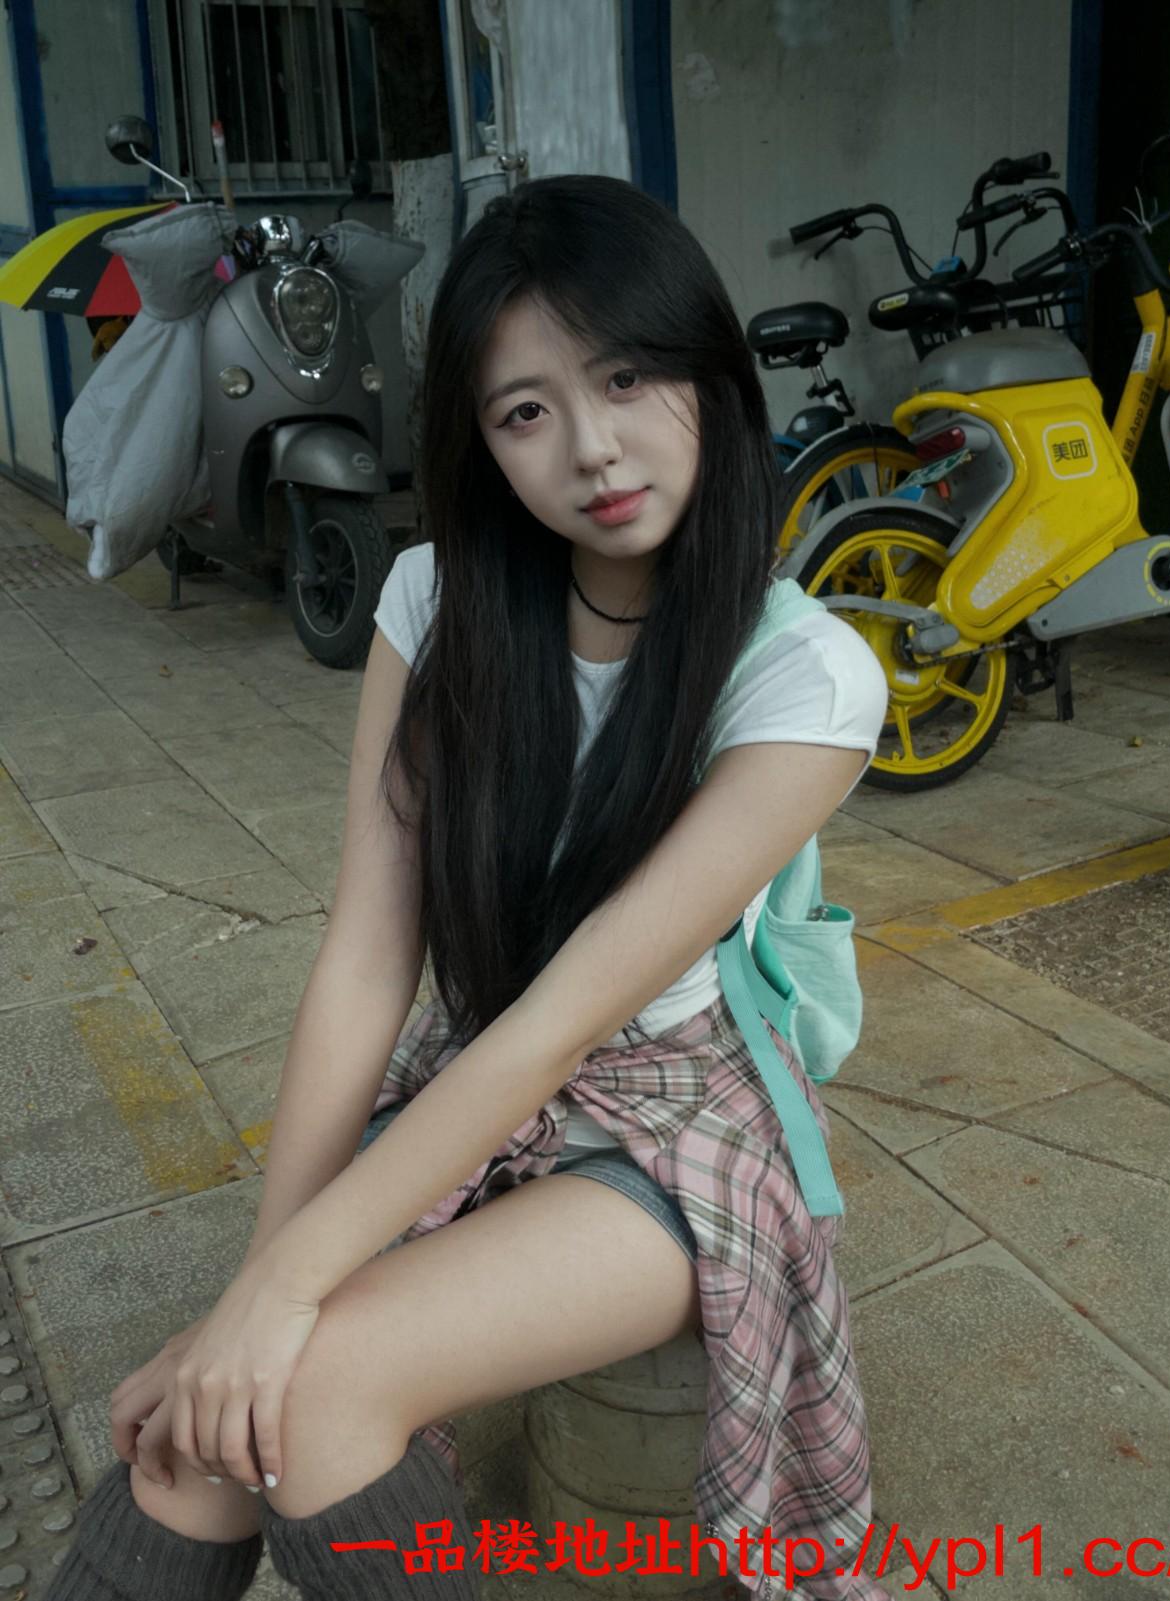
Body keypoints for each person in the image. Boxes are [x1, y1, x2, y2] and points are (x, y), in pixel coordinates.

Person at [47, 175, 889, 1601]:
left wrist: (278, 1303)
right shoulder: (436, 603)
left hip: (679, 1124)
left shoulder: (803, 675)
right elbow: (368, 963)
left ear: (709, 370)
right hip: (484, 1071)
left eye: (627, 377)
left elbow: (565, 1019)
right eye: (526, 410)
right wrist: (247, 1296)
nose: (594, 447)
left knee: (305, 1388)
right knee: (203, 1440)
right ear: (479, 441)